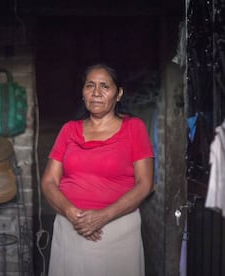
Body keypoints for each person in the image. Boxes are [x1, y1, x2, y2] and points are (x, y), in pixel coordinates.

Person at [41, 63, 154, 276]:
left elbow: (145, 183)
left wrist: (103, 216)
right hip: (71, 228)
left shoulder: (134, 128)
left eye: (105, 86)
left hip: (117, 231)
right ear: (83, 93)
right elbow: (48, 181)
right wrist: (71, 212)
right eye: (90, 86)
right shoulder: (69, 130)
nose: (96, 93)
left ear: (118, 94)